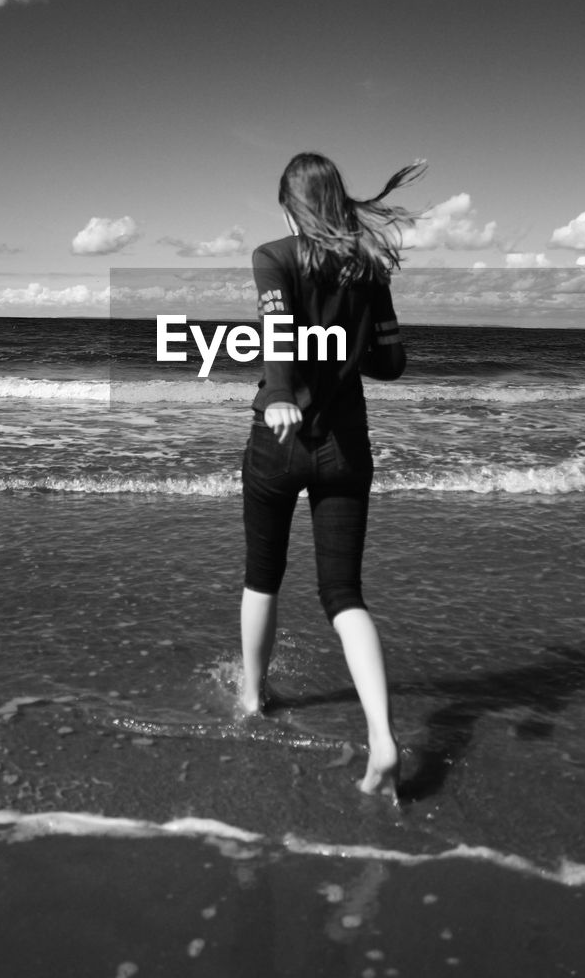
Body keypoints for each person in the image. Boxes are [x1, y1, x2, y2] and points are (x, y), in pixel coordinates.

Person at [240, 151, 423, 798]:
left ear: (289, 205)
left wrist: (286, 392)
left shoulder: (272, 256)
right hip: (346, 448)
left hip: (278, 441)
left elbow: (276, 331)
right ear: (338, 201)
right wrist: (347, 352)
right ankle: (381, 738)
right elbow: (393, 362)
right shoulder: (369, 268)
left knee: (263, 578)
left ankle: (251, 698)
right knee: (343, 595)